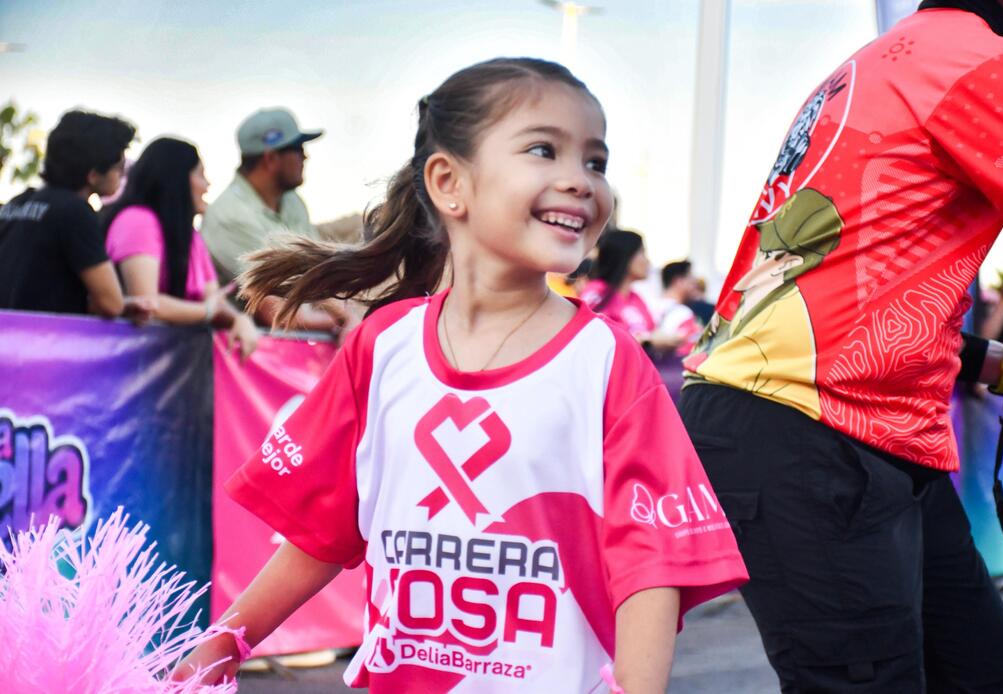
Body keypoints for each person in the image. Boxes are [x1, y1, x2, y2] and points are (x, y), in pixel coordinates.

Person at [173, 57, 747, 693]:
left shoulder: (606, 361)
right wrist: (222, 644)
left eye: (595, 162)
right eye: (543, 150)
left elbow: (651, 566)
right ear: (450, 182)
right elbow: (321, 531)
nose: (581, 182)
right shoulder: (382, 347)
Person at [681, 1, 1003, 691]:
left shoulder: (900, 55)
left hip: (834, 422)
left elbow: (863, 295)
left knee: (980, 675)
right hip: (808, 425)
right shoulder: (983, 62)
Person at [100, 137, 259, 359]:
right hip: (126, 363)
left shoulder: (191, 236)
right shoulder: (137, 220)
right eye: (200, 174)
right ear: (176, 180)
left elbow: (215, 299)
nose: (207, 185)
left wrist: (239, 320)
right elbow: (148, 303)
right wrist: (207, 311)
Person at [200, 107, 347, 332]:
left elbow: (322, 273)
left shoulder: (292, 201)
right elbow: (274, 305)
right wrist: (344, 321)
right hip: (247, 358)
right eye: (297, 149)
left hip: (295, 344)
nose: (305, 156)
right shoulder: (227, 216)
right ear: (270, 158)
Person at [0, 110, 149, 319]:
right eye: (119, 166)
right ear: (93, 175)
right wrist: (120, 304)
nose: (123, 173)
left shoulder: (17, 203)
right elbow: (111, 304)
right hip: (43, 344)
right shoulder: (75, 211)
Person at [656, 260, 703, 358]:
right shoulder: (684, 313)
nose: (694, 284)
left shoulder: (647, 307)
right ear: (678, 281)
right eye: (690, 278)